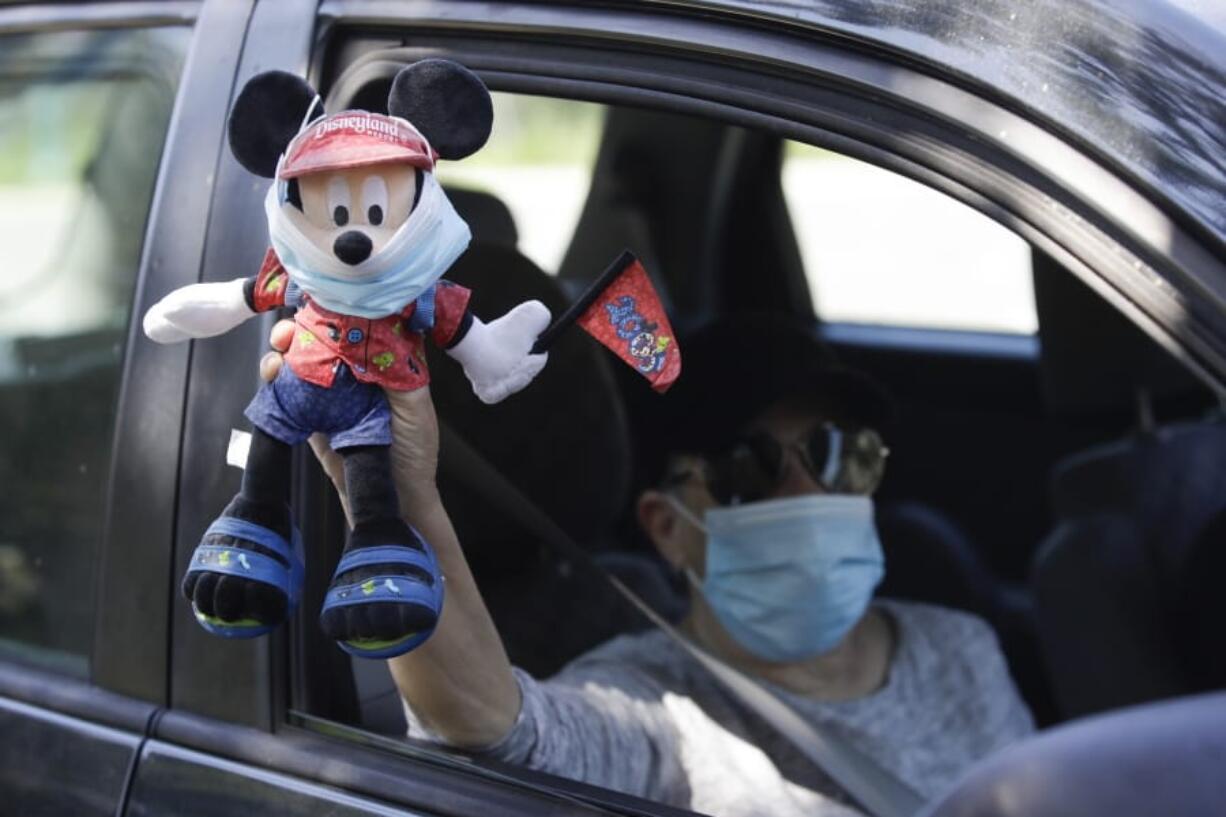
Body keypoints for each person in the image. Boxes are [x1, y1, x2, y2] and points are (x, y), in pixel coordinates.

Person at [262, 314, 1035, 816]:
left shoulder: (961, 645)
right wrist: (396, 498)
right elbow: (497, 733)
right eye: (752, 467)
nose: (807, 489)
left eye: (837, 453)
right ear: (669, 526)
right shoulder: (654, 706)